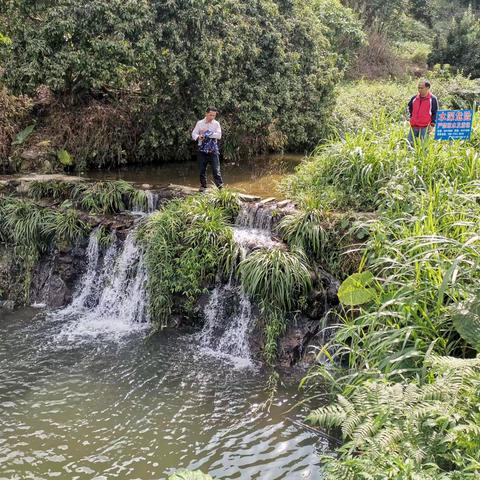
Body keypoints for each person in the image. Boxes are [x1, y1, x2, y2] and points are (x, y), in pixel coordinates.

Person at [192, 107, 223, 191]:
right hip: (201, 150)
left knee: (216, 170)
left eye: (214, 115)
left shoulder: (216, 124)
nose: (212, 117)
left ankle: (220, 189)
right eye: (210, 115)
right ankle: (203, 186)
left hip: (213, 150)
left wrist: (208, 133)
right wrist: (199, 136)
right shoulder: (200, 123)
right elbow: (193, 134)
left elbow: (219, 136)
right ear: (206, 113)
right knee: (202, 170)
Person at [407, 80, 439, 145]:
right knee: (409, 145)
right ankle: (410, 155)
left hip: (425, 127)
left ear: (427, 88)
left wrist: (432, 124)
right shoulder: (414, 98)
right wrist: (411, 118)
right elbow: (410, 108)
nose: (419, 89)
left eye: (422, 88)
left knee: (423, 146)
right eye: (418, 88)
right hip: (414, 126)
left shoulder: (432, 99)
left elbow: (435, 112)